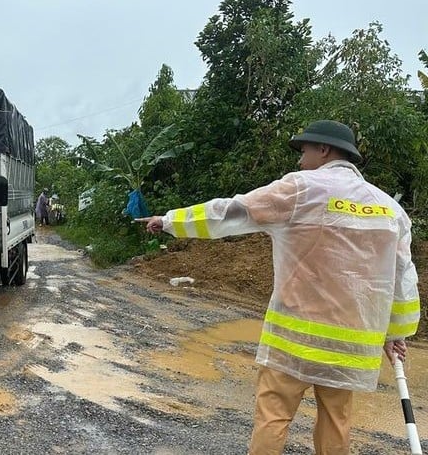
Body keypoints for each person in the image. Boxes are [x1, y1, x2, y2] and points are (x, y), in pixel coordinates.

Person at [142, 120, 420, 454]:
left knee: (273, 418)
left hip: (293, 342)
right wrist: (396, 334)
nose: (300, 160)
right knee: (336, 424)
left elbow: (232, 211)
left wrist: (171, 221)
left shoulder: (302, 189)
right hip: (348, 348)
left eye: (304, 151)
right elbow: (402, 278)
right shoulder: (390, 209)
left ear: (324, 150)